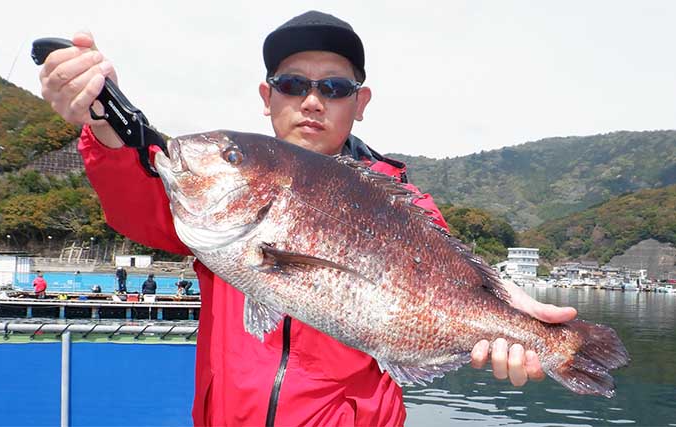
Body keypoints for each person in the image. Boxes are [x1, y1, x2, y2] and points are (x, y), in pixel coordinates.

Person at [39, 10, 577, 426]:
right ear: (267, 97)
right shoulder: (214, 209)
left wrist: (509, 316)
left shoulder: (407, 204)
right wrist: (104, 124)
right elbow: (139, 207)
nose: (312, 101)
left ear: (360, 102)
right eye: (293, 84)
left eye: (334, 88)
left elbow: (456, 289)